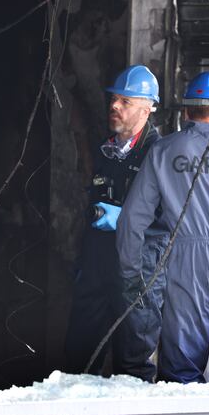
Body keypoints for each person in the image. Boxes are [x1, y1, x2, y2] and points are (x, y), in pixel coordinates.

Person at [117, 71, 209, 384]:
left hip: (187, 262)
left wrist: (131, 273)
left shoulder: (163, 151)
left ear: (186, 112)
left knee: (181, 371)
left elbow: (133, 218)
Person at [64, 64, 167, 381]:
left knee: (133, 369)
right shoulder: (105, 150)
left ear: (147, 107)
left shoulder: (160, 154)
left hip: (138, 272)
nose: (114, 106)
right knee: (78, 364)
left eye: (125, 101)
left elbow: (173, 218)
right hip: (97, 267)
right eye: (114, 99)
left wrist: (125, 220)